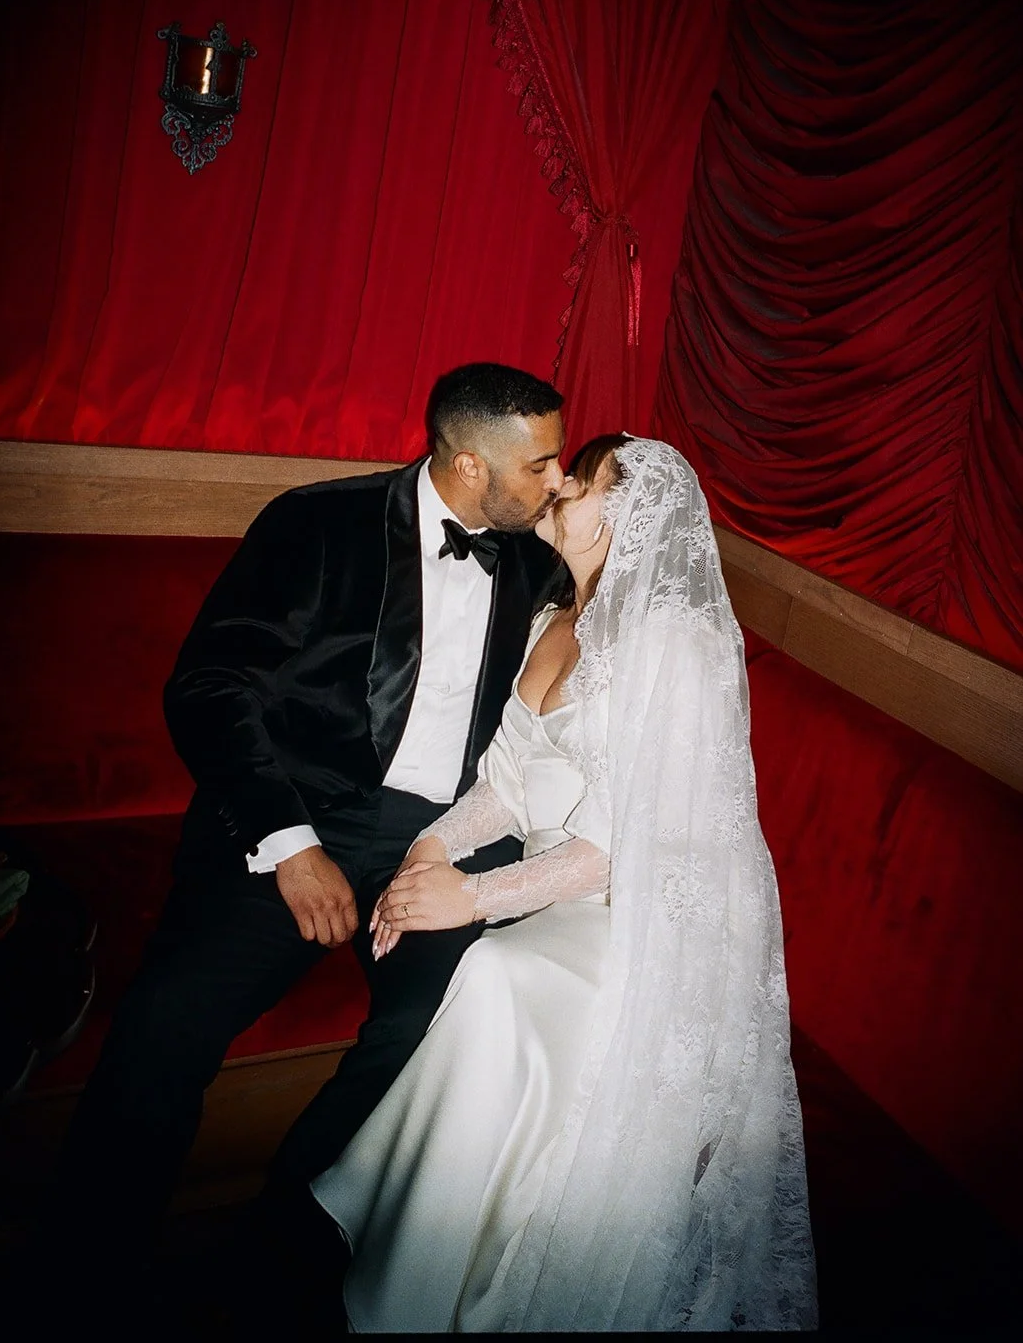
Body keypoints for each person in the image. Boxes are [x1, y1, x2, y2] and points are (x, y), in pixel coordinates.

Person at [39, 362, 569, 1308]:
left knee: (438, 1026)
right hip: (299, 817)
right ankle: (84, 1279)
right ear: (465, 460)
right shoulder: (314, 524)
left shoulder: (537, 560)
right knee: (165, 1021)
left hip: (444, 839)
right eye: (539, 463)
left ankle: (284, 1248)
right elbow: (208, 687)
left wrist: (454, 854)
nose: (556, 480)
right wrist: (291, 845)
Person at [313, 434, 818, 1332]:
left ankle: (457, 1285)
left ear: (631, 515)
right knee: (487, 966)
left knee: (499, 975)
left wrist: (472, 898)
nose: (559, 490)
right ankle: (421, 1265)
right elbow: (505, 781)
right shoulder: (555, 619)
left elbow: (635, 840)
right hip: (565, 886)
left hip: (648, 910)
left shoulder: (678, 642)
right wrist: (427, 852)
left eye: (580, 484)